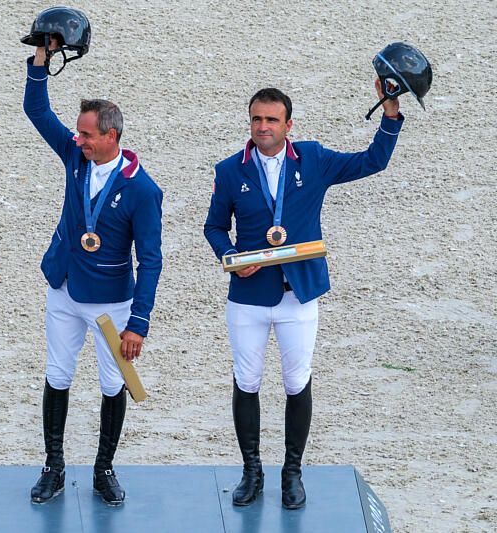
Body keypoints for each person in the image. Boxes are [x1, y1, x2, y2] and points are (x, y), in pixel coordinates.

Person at [204, 82, 403, 509]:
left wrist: (390, 114)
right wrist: (232, 256)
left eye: (271, 120)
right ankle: (251, 471)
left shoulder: (312, 158)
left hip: (299, 294)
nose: (262, 127)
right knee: (247, 381)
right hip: (249, 294)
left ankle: (292, 472)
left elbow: (373, 161)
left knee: (296, 381)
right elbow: (214, 227)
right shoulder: (229, 170)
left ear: (287, 125)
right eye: (256, 119)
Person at [23, 40, 163, 505]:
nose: (77, 139)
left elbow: (152, 260)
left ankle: (104, 468)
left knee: (111, 383)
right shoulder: (75, 157)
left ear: (111, 136)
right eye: (78, 134)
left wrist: (138, 323)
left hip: (111, 301)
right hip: (64, 288)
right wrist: (41, 61)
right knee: (57, 374)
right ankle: (54, 465)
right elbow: (36, 110)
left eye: (86, 135)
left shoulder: (143, 190)